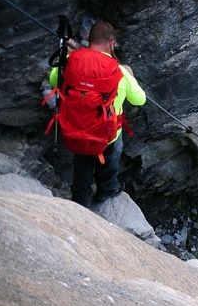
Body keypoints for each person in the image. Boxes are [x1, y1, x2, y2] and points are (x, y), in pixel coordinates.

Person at [48, 21, 146, 207]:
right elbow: (140, 100)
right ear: (111, 43)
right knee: (109, 165)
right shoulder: (120, 72)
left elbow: (54, 79)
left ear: (88, 38)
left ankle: (81, 201)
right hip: (108, 134)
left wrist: (69, 57)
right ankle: (105, 193)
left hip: (78, 128)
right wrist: (130, 76)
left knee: (82, 166)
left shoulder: (72, 60)